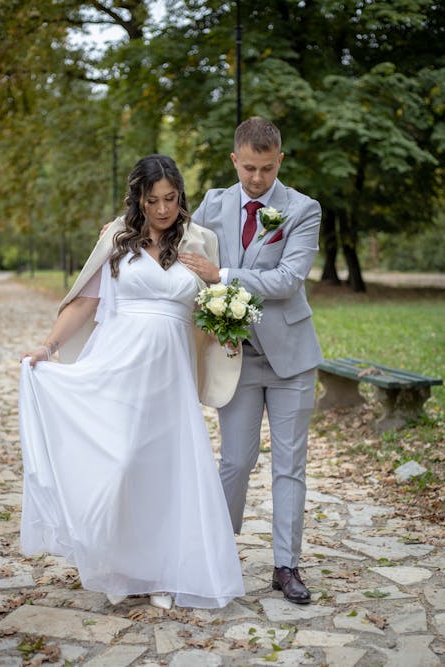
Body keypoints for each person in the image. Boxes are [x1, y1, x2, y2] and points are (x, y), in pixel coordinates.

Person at [19, 154, 245, 610]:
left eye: (170, 198)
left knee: (164, 470)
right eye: (152, 199)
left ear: (180, 196)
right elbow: (85, 301)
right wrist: (48, 347)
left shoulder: (202, 240)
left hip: (171, 376)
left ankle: (162, 569)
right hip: (119, 366)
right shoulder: (117, 237)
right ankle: (120, 562)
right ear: (138, 199)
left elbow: (213, 303)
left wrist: (227, 327)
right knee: (120, 463)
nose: (162, 209)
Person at [179, 117, 323, 604]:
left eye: (266, 169)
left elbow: (287, 280)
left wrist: (222, 274)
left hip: (291, 360)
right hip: (234, 358)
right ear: (234, 161)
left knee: (289, 466)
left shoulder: (302, 209)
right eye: (248, 169)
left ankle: (286, 566)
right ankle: (216, 554)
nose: (257, 179)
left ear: (279, 161)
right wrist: (121, 230)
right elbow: (174, 244)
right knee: (236, 461)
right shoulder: (214, 204)